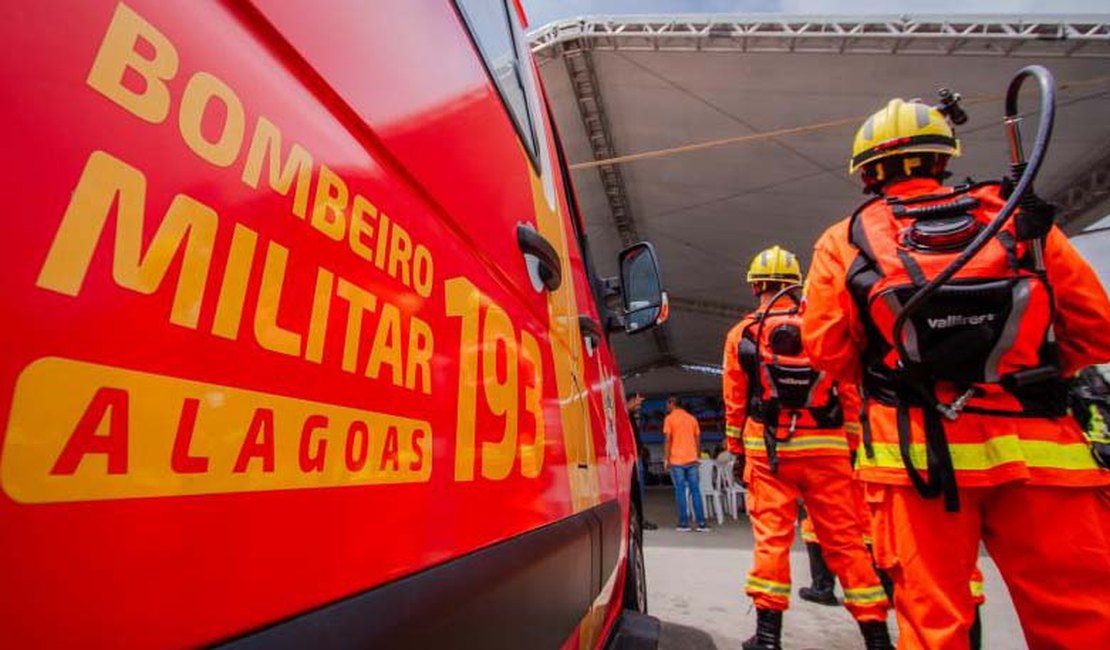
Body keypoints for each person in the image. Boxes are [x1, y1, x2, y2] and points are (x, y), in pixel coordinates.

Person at [803, 96, 1110, 649]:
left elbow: (827, 350)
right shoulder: (1016, 219)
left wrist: (898, 378)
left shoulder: (845, 239)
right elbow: (1097, 329)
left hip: (917, 455)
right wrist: (1029, 371)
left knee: (935, 619)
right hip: (1041, 451)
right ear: (944, 158)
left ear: (868, 170)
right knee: (1079, 619)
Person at [722, 246, 892, 650]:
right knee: (847, 544)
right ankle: (877, 637)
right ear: (795, 284)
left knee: (771, 540)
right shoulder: (822, 326)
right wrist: (852, 446)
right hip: (828, 449)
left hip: (769, 450)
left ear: (756, 285)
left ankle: (767, 638)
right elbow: (849, 389)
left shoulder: (743, 333)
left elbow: (734, 398)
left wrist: (737, 450)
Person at [662, 395, 708, 532]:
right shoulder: (692, 419)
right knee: (695, 491)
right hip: (692, 459)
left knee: (680, 491)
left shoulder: (669, 419)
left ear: (672, 404)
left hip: (677, 461)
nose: (666, 407)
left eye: (667, 404)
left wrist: (666, 458)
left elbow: (668, 440)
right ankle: (701, 524)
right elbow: (698, 439)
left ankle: (684, 524)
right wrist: (697, 456)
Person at [626, 393, 658, 530]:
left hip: (635, 455)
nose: (638, 406)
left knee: (639, 491)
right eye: (636, 402)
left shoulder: (631, 416)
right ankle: (637, 519)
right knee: (635, 490)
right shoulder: (623, 414)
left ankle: (639, 518)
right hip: (630, 457)